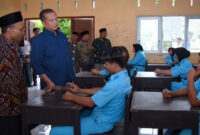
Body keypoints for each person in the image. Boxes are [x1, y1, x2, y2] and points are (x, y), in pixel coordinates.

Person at [50, 47, 132, 135]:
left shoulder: (116, 83)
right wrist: (80, 90)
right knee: (73, 116)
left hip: (101, 122)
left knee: (55, 131)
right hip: (107, 117)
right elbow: (104, 90)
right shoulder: (123, 76)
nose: (104, 66)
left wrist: (72, 97)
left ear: (115, 65)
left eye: (106, 63)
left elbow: (90, 103)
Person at [31, 9, 75, 91]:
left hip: (69, 81)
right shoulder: (38, 40)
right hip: (53, 84)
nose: (55, 22)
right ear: (43, 23)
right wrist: (48, 81)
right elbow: (36, 64)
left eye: (56, 19)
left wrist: (72, 78)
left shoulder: (62, 36)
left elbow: (66, 57)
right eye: (51, 20)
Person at [0, 11, 28, 135]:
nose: (24, 32)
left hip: (18, 104)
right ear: (9, 29)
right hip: (5, 108)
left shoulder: (14, 46)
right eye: (21, 29)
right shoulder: (1, 48)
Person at [162, 69, 200, 135]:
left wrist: (190, 78)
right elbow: (189, 89)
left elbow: (194, 102)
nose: (198, 65)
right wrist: (173, 93)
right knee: (172, 126)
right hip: (194, 117)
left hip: (197, 122)